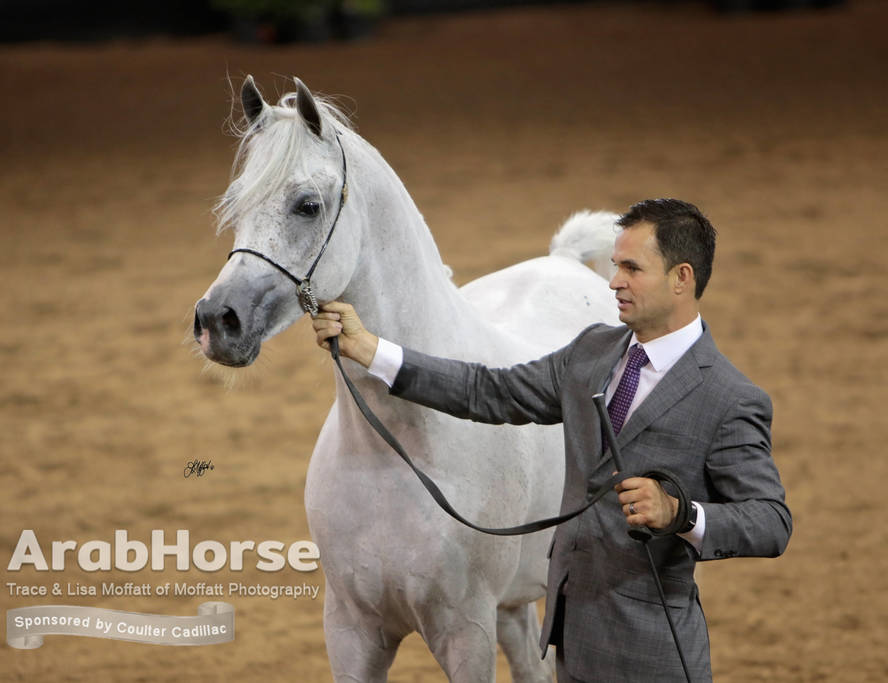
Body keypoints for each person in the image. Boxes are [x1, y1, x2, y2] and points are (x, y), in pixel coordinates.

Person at [312, 198, 791, 682]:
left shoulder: (729, 398)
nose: (613, 281)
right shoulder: (591, 353)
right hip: (574, 641)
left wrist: (680, 513)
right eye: (616, 265)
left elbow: (770, 521)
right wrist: (372, 351)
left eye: (631, 268)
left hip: (654, 653)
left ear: (681, 278)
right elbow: (488, 390)